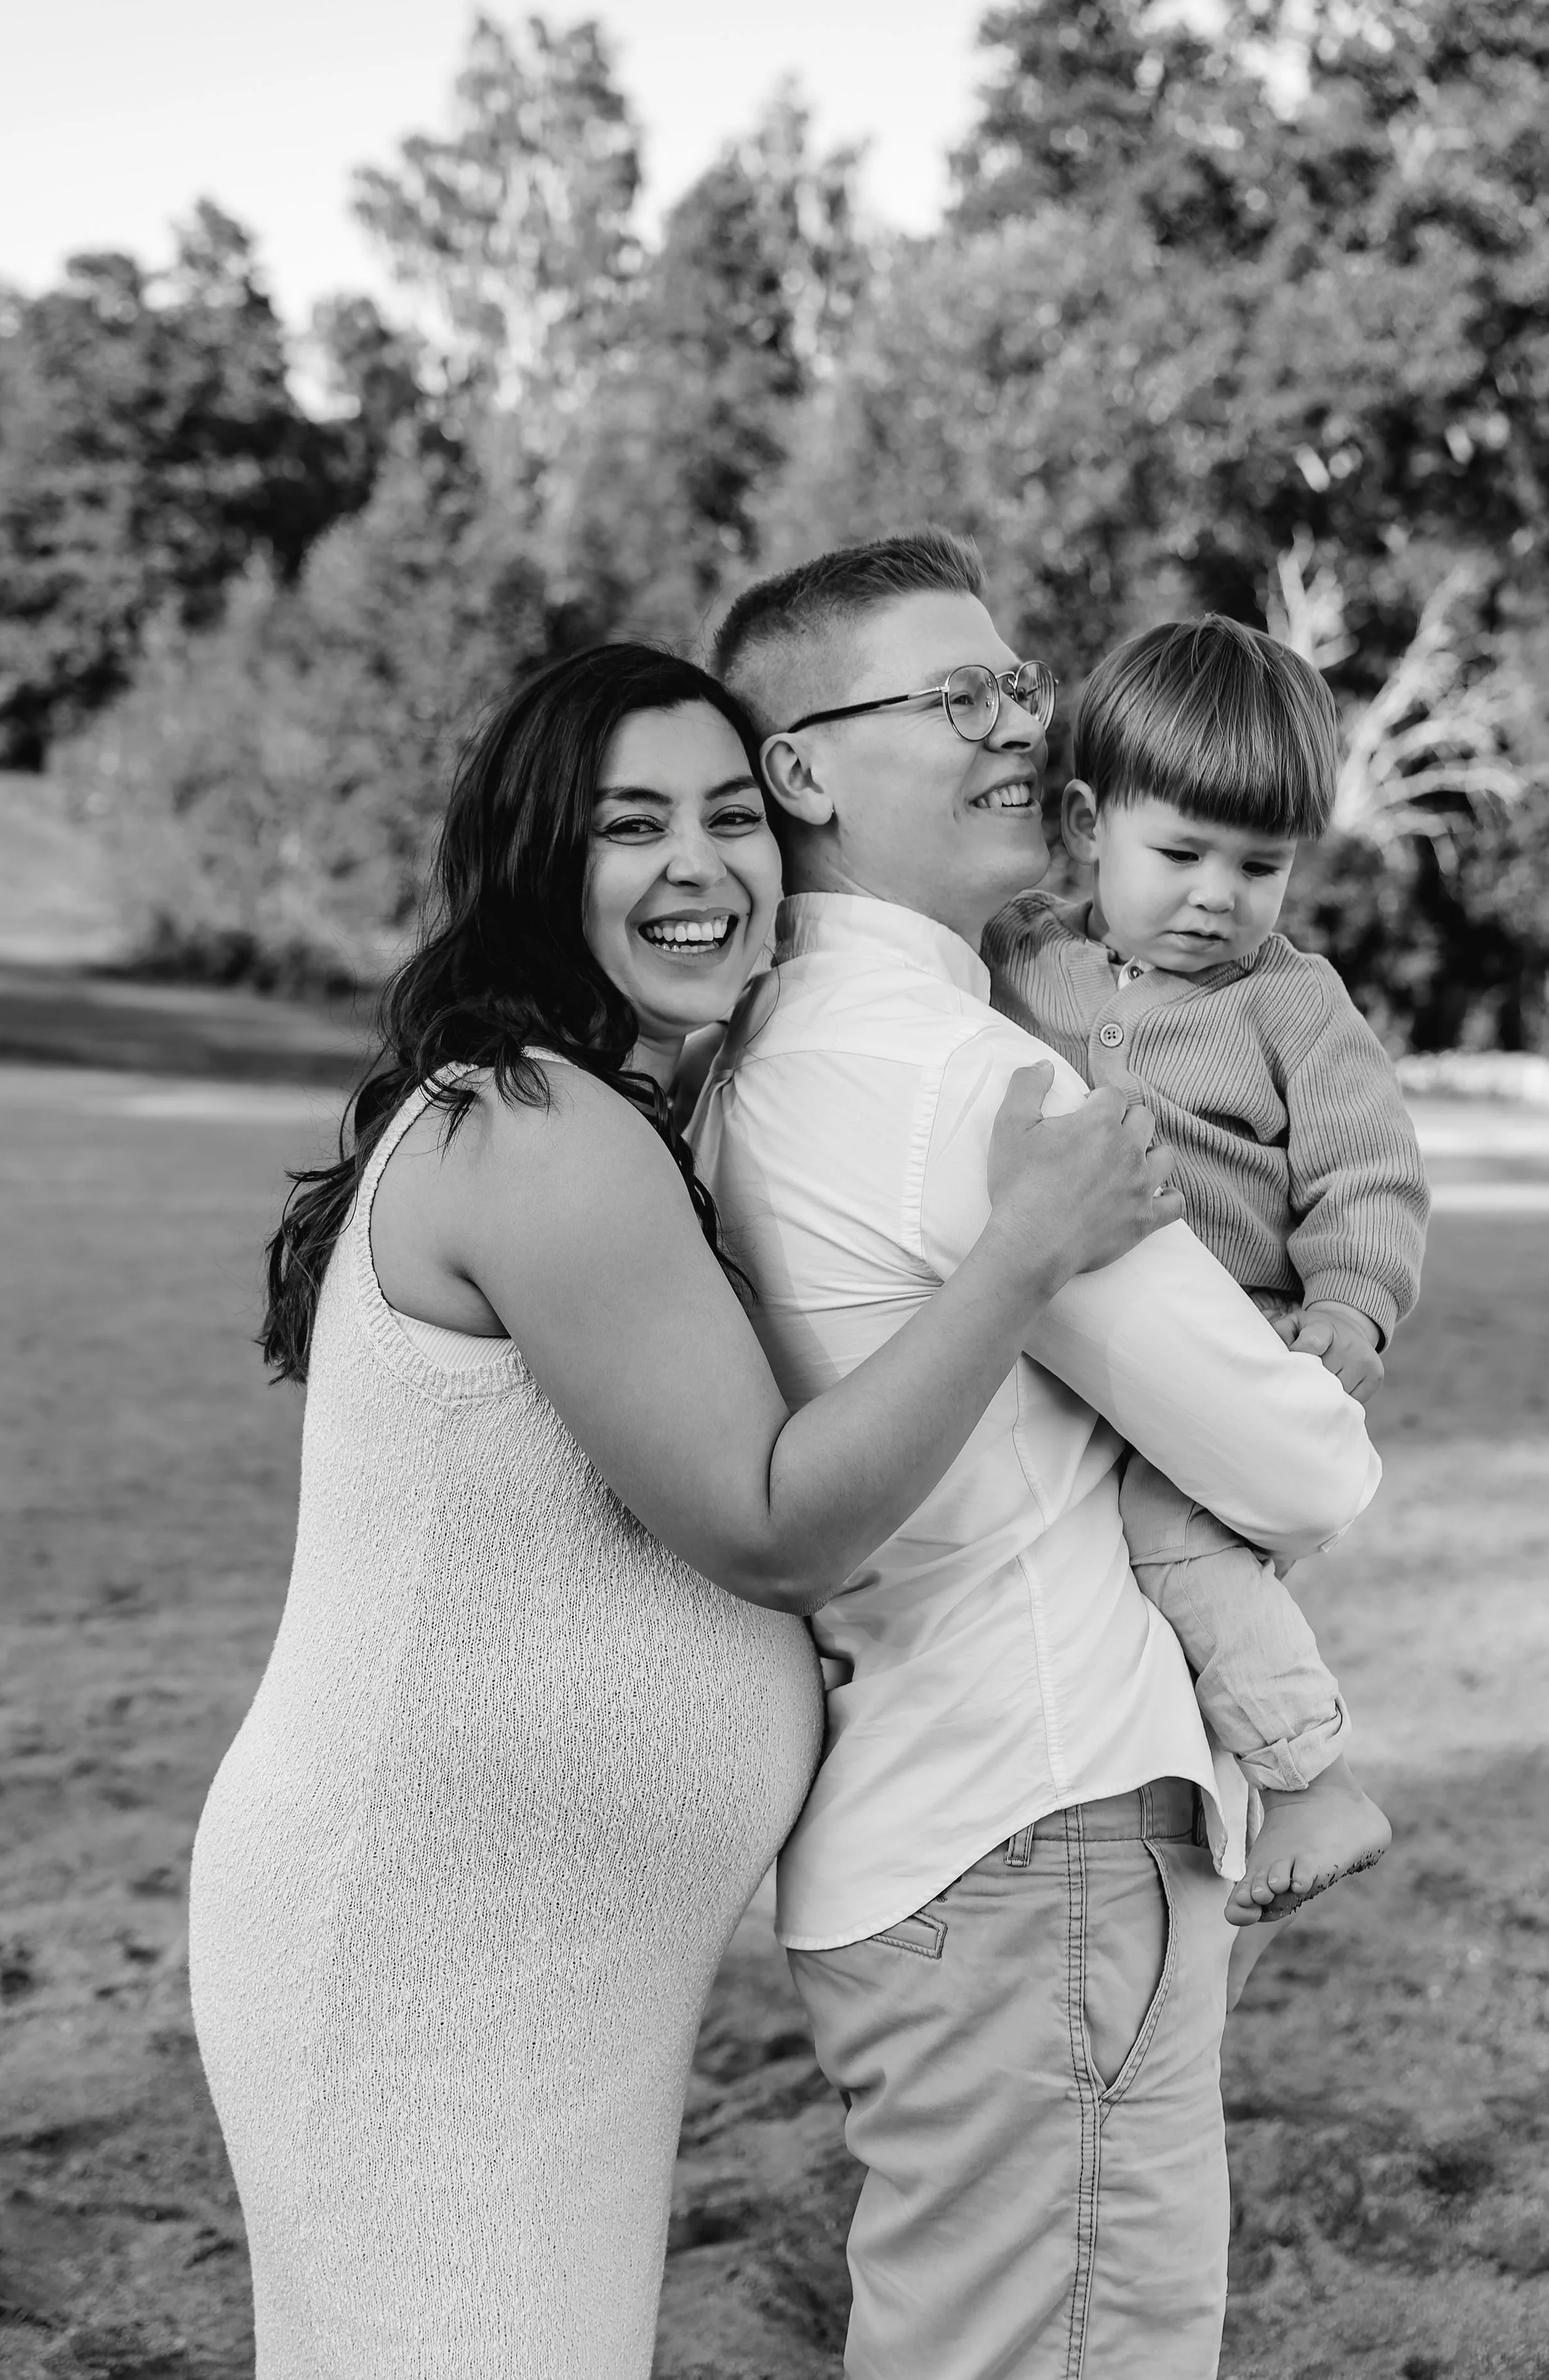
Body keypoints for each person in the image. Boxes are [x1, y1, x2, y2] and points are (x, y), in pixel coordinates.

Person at [187, 642, 1183, 2379]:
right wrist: (1023, 1245)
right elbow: (773, 1522)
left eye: (731, 815)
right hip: (425, 1970)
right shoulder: (538, 1128)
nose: (699, 865)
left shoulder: (608, 1110)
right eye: (628, 825)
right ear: (535, 863)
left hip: (537, 1969)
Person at [698, 532, 1381, 2378]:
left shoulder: (771, 1047)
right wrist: (1323, 1365)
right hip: (1044, 1830)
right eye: (952, 694)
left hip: (921, 1835)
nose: (1017, 720)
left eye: (1012, 681)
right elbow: (1300, 1467)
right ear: (803, 768)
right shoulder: (963, 1079)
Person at [985, 615, 1428, 1927]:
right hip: (1070, 1347)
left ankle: (1310, 1780)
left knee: (1172, 1551)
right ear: (1084, 823)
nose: (1216, 898)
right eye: (1178, 852)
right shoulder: (1019, 960)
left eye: (1259, 865)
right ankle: (1211, 1829)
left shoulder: (1289, 1005)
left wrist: (1349, 1305)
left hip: (1226, 1349)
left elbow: (1367, 1168)